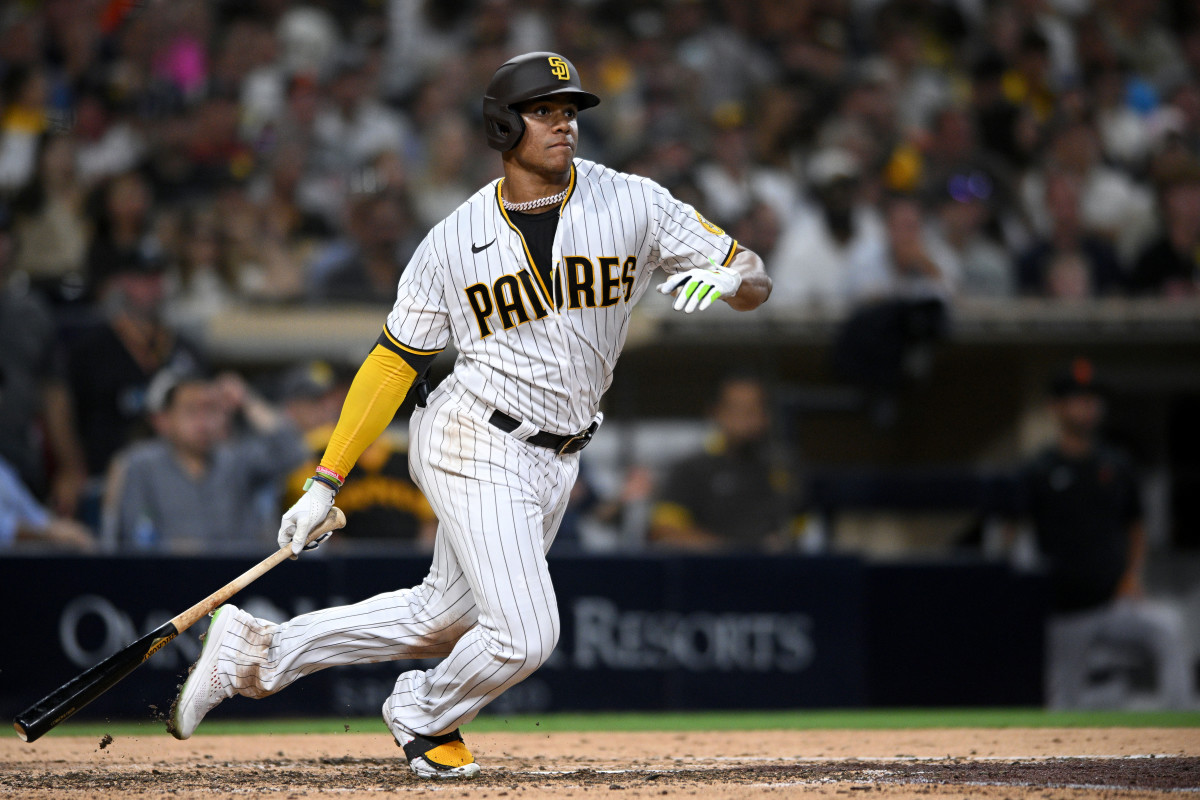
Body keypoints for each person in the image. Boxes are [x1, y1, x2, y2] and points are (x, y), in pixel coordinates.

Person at [167, 52, 771, 778]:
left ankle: (256, 652)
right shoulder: (453, 240)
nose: (564, 125)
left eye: (570, 111)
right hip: (473, 432)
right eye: (545, 111)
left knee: (443, 617)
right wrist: (326, 480)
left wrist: (733, 279)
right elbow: (394, 360)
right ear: (501, 124)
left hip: (559, 455)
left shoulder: (634, 202)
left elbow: (753, 272)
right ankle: (422, 712)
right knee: (524, 633)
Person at [1012, 359, 1192, 709]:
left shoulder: (1116, 465)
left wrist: (1131, 575)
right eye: (1078, 399)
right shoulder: (1039, 470)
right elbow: (1012, 530)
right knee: (1063, 703)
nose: (1088, 406)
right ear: (1056, 407)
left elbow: (1136, 525)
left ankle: (1181, 727)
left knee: (1168, 627)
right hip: (1064, 611)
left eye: (1092, 399)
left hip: (1114, 601)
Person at [101, 368, 307, 553]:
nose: (203, 422)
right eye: (191, 411)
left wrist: (247, 400)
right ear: (163, 419)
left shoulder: (237, 460)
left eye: (211, 410)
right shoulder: (140, 464)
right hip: (166, 578)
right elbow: (131, 540)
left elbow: (294, 453)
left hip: (235, 581)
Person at [278, 361, 437, 548]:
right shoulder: (314, 447)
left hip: (405, 562)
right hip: (341, 566)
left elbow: (429, 524)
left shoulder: (404, 449)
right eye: (348, 391)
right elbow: (299, 498)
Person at [649, 374, 802, 551]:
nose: (746, 420)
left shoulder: (783, 465)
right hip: (709, 569)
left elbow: (802, 528)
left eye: (754, 410)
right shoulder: (691, 469)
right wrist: (735, 551)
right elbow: (664, 530)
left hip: (773, 570)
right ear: (715, 412)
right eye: (737, 410)